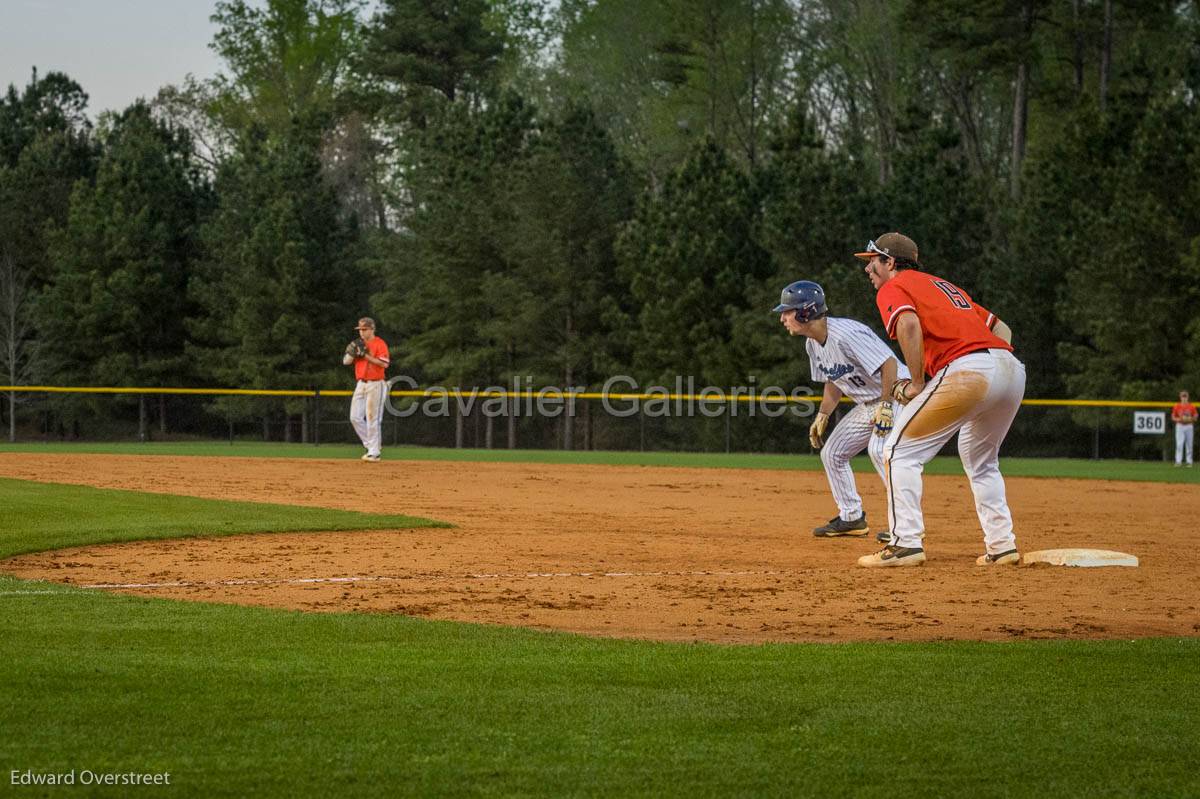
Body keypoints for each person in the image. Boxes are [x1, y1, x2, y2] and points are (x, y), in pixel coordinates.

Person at [853, 232, 1025, 567]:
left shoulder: (895, 286)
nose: (867, 269)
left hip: (969, 370)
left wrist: (917, 383)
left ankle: (905, 544)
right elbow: (1001, 328)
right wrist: (993, 361)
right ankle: (1002, 546)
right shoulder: (945, 287)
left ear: (890, 262)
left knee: (897, 452)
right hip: (1011, 369)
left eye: (872, 261)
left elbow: (908, 324)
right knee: (981, 460)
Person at [774, 280, 910, 538]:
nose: (782, 318)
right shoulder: (812, 343)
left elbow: (889, 364)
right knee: (832, 453)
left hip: (897, 394)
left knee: (881, 450)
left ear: (806, 312)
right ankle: (852, 518)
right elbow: (834, 381)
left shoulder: (846, 334)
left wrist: (885, 406)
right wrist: (823, 414)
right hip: (870, 402)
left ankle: (905, 526)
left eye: (787, 311)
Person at [343, 317, 390, 462]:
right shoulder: (358, 344)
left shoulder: (379, 344)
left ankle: (374, 452)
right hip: (361, 383)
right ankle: (372, 445)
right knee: (355, 417)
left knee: (372, 418)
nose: (362, 333)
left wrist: (366, 356)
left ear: (372, 329)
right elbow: (346, 362)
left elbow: (384, 364)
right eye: (360, 330)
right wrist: (351, 352)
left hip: (376, 384)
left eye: (364, 329)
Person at [1172, 390, 1196, 467]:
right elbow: (1173, 417)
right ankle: (1178, 461)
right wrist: (1179, 419)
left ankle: (1189, 462)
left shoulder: (1191, 406)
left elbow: (1195, 416)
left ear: (1188, 397)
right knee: (1179, 444)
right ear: (1180, 397)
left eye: (1185, 396)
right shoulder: (1177, 406)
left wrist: (1190, 419)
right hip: (1180, 425)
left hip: (1189, 425)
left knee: (1189, 444)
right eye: (1183, 396)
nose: (1184, 398)